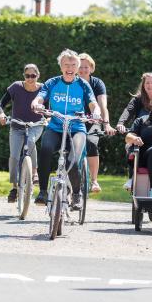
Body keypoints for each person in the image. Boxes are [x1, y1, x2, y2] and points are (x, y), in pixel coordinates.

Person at [31, 49, 101, 210]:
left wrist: (96, 112)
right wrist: (37, 103)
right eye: (66, 64)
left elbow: (92, 102)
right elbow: (41, 96)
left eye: (73, 64)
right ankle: (42, 191)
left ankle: (76, 194)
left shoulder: (83, 84)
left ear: (77, 67)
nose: (70, 67)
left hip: (76, 128)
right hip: (55, 126)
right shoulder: (52, 82)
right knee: (46, 149)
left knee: (73, 161)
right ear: (61, 66)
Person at [0, 64, 45, 203]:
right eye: (27, 76)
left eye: (33, 76)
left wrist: (47, 118)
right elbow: (0, 103)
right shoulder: (16, 87)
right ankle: (14, 187)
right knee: (14, 156)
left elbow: (50, 107)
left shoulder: (43, 89)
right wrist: (1, 114)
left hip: (36, 125)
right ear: (24, 76)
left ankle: (34, 173)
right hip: (17, 125)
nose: (30, 79)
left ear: (38, 76)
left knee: (30, 141)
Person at [77, 53, 116, 193]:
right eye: (80, 67)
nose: (82, 70)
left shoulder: (97, 83)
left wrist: (106, 123)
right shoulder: (72, 82)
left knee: (91, 145)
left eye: (86, 67)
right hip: (75, 122)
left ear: (92, 68)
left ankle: (94, 180)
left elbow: (102, 105)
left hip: (93, 121)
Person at [116, 72, 152, 190]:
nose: (150, 85)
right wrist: (121, 123)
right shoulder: (137, 100)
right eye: (147, 83)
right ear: (143, 85)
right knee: (130, 147)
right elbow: (128, 111)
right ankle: (132, 177)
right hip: (141, 136)